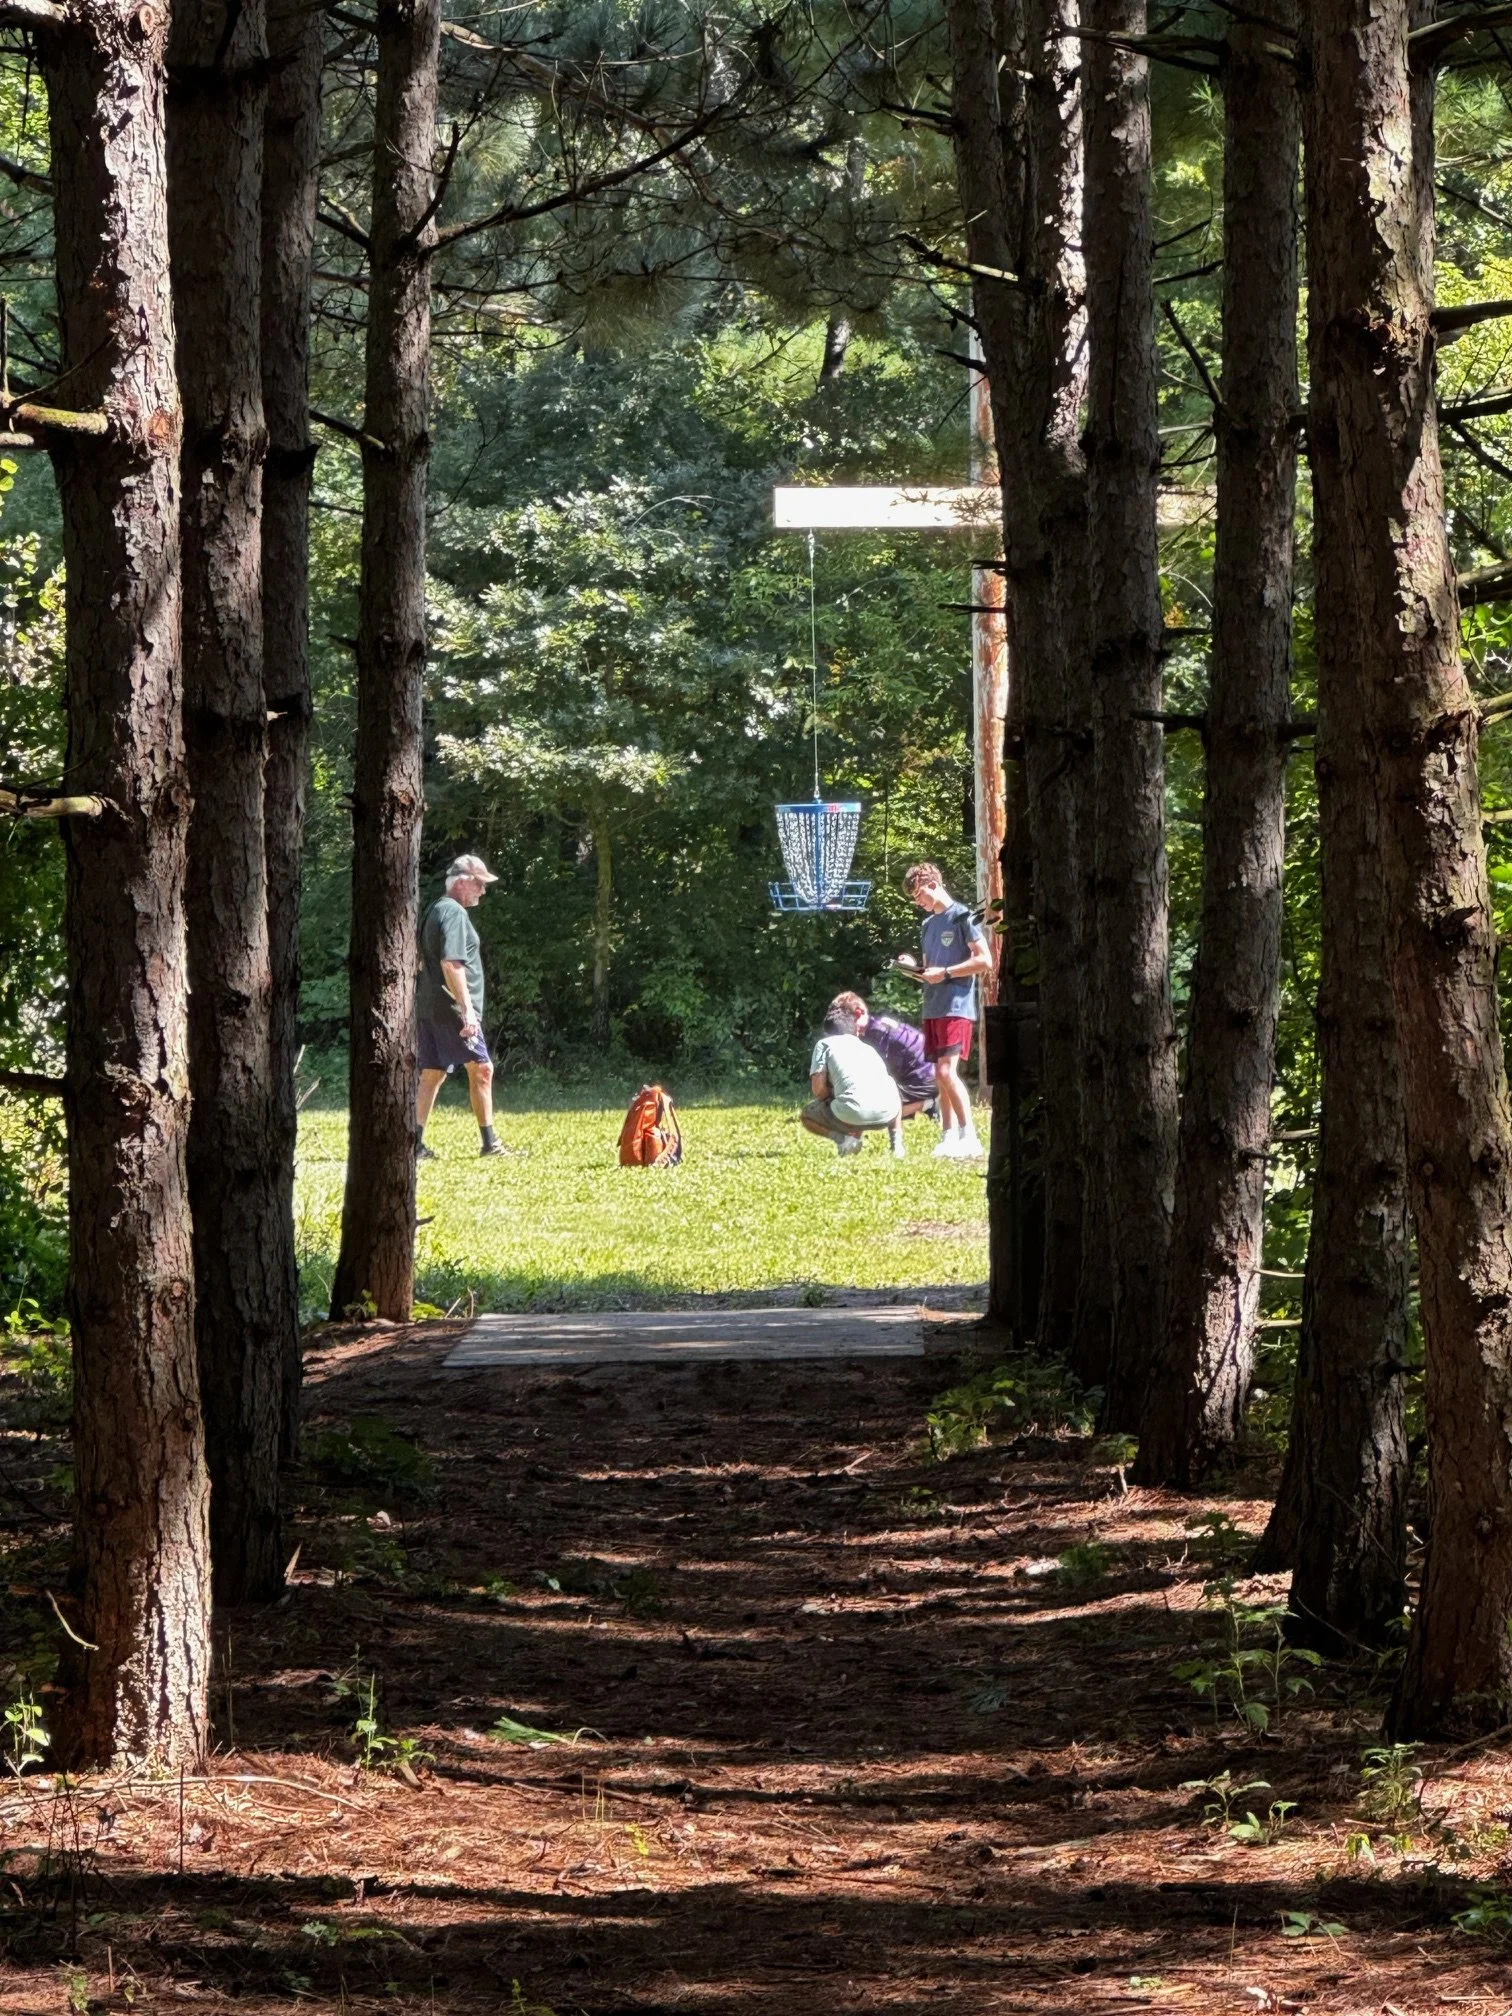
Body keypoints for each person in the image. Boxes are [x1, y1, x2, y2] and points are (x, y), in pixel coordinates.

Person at [416, 854, 512, 1159]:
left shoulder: (434, 910)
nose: (483, 890)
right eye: (479, 884)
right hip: (452, 1009)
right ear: (462, 882)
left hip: (428, 1008)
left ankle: (413, 1145)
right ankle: (490, 1144)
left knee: (431, 1073)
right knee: (482, 1068)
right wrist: (467, 1010)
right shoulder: (454, 913)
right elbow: (452, 963)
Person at [903, 860, 992, 1158]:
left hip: (956, 1005)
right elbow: (930, 969)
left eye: (920, 897)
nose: (920, 903)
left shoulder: (962, 916)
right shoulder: (928, 925)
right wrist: (910, 968)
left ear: (932, 885)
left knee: (946, 1070)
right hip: (933, 1007)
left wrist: (948, 973)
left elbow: (984, 961)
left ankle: (970, 1136)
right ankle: (948, 1137)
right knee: (939, 1076)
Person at [828, 991, 935, 1157]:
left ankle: (929, 1103)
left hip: (924, 1076)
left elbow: (875, 1076)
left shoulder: (875, 1034)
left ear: (858, 1014)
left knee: (876, 1104)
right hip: (925, 1071)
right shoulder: (875, 1025)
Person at [802, 1002, 903, 1156]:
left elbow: (818, 1089)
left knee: (807, 1115)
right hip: (887, 1114)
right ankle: (897, 1146)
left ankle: (843, 1140)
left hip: (850, 1114)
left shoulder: (824, 1044)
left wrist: (829, 1097)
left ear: (828, 1032)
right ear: (854, 1030)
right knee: (891, 1083)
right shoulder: (868, 1048)